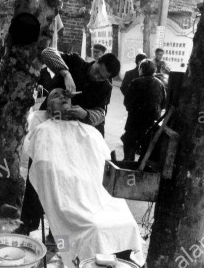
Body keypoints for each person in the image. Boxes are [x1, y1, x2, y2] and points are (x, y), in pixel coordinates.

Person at [23, 88, 144, 266]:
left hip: (97, 194)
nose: (62, 97)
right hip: (69, 197)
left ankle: (122, 262)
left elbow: (103, 166)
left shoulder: (91, 132)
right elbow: (43, 167)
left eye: (65, 96)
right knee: (94, 228)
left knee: (128, 224)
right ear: (49, 110)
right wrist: (68, 176)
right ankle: (81, 262)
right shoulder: (43, 130)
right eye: (55, 96)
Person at [16, 51, 120, 236]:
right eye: (97, 71)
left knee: (69, 180)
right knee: (41, 170)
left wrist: (86, 115)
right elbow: (46, 52)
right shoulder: (74, 62)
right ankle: (28, 224)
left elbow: (101, 113)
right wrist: (66, 73)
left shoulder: (105, 87)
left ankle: (58, 232)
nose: (97, 78)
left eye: (102, 77)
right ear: (96, 61)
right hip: (49, 127)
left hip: (72, 134)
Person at [122, 60, 167, 161]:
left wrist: (133, 110)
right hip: (153, 122)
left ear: (141, 69)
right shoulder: (160, 84)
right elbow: (164, 103)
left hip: (135, 120)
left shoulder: (135, 82)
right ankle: (141, 167)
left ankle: (128, 162)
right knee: (146, 149)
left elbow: (127, 102)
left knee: (129, 144)